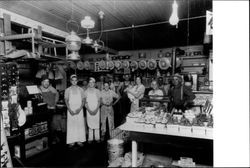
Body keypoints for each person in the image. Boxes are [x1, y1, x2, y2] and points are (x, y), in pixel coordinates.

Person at [64, 74, 86, 147]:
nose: (74, 82)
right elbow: (66, 101)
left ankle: (80, 140)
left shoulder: (81, 90)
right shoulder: (67, 90)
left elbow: (83, 101)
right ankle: (72, 141)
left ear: (77, 81)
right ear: (70, 81)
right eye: (72, 80)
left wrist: (79, 109)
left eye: (75, 80)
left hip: (79, 109)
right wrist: (69, 109)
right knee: (71, 125)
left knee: (79, 125)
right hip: (71, 109)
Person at [39, 75, 59, 145]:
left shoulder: (51, 88)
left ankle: (53, 138)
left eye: (48, 82)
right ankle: (47, 140)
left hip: (52, 109)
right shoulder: (39, 89)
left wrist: (55, 102)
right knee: (46, 126)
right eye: (45, 82)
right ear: (42, 82)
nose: (46, 83)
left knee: (52, 124)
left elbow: (57, 94)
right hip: (44, 110)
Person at [85, 77, 101, 143]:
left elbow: (99, 101)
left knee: (96, 124)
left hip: (96, 109)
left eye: (93, 82)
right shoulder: (85, 92)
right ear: (88, 83)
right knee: (90, 124)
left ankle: (97, 138)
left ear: (95, 83)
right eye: (90, 82)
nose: (91, 84)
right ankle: (90, 138)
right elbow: (85, 102)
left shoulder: (97, 91)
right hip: (89, 110)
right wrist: (89, 110)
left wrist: (96, 109)